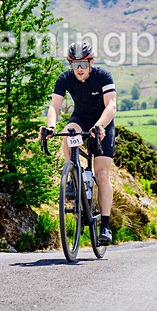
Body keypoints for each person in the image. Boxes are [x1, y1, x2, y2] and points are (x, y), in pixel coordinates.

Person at [41, 42, 117, 245]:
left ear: (91, 62)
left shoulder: (103, 76)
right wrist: (50, 126)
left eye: (83, 64)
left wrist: (99, 126)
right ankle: (74, 177)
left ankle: (106, 226)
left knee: (101, 174)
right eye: (75, 65)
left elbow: (111, 105)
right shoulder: (64, 79)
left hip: (103, 122)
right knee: (68, 133)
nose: (79, 69)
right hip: (81, 118)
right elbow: (54, 106)